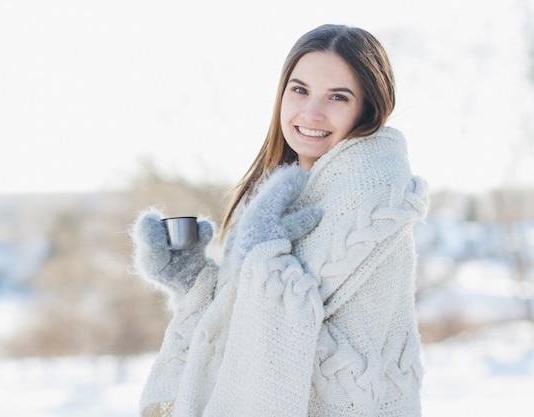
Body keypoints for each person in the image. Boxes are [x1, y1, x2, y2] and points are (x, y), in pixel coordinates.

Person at [130, 23, 429, 417]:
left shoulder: (368, 203)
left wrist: (262, 254)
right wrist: (193, 280)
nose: (312, 112)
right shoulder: (288, 193)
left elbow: (299, 341)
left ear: (367, 109)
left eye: (338, 97)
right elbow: (246, 314)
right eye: (300, 90)